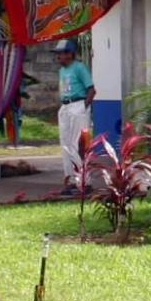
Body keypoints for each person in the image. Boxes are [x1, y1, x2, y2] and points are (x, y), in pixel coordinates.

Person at [53, 37, 94, 190]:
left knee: (79, 144)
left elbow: (91, 89)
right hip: (65, 106)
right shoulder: (62, 70)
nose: (58, 56)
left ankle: (83, 180)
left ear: (70, 54)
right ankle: (70, 179)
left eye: (61, 53)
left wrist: (84, 107)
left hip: (78, 104)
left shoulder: (79, 67)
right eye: (57, 53)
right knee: (66, 144)